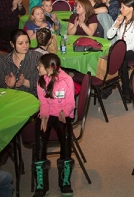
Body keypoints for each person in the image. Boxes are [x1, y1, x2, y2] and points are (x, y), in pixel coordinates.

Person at [31, 54, 75, 197]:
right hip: (48, 114)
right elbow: (43, 103)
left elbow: (71, 104)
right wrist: (43, 116)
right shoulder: (41, 81)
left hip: (63, 114)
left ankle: (65, 181)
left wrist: (65, 111)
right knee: (40, 138)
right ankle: (41, 184)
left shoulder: (67, 80)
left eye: (40, 65)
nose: (38, 67)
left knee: (66, 138)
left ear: (49, 68)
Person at [107, 0, 134, 100]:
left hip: (132, 51)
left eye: (123, 7)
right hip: (119, 50)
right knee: (121, 59)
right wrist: (116, 24)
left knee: (121, 58)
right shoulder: (120, 19)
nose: (121, 9)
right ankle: (119, 87)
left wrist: (119, 51)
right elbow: (109, 35)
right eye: (121, 7)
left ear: (131, 9)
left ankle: (118, 87)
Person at [0, 30, 41, 97]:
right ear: (12, 44)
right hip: (12, 99)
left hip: (33, 99)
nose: (25, 46)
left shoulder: (37, 58)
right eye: (20, 43)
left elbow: (46, 84)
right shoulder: (4, 62)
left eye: (27, 42)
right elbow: (1, 88)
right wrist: (9, 87)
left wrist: (26, 82)